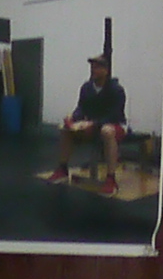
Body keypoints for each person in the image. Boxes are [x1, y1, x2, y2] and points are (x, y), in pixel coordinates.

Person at [54, 51, 132, 186]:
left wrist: (93, 123)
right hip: (94, 126)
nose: (93, 70)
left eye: (97, 67)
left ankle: (111, 178)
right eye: (92, 67)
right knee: (65, 129)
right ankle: (63, 169)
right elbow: (81, 108)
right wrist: (73, 117)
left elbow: (115, 115)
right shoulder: (86, 87)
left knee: (107, 131)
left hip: (115, 125)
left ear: (106, 71)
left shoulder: (117, 90)